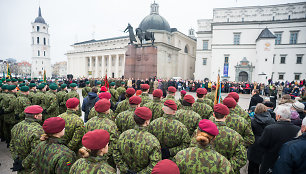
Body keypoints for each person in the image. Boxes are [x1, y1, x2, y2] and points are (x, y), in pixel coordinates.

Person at [114, 107, 161, 174]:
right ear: (147, 122)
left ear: (134, 119)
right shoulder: (153, 141)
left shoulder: (123, 135)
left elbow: (116, 153)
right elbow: (155, 164)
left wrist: (125, 169)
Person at [258, 105, 300, 174]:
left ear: (279, 116)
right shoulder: (297, 129)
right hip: (288, 164)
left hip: (270, 162)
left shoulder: (270, 128)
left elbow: (262, 144)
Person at [207, 103, 247, 173]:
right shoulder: (235, 136)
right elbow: (241, 158)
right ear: (226, 116)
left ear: (213, 115)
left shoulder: (203, 132)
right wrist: (225, 167)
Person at [85, 99, 119, 168]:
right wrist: (105, 154)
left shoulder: (89, 122)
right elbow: (114, 142)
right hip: (106, 158)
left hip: (91, 155)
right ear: (107, 110)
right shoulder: (111, 124)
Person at [9, 105, 44, 173]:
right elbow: (36, 152)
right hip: (30, 167)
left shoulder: (16, 126)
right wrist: (23, 164)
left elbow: (11, 144)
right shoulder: (38, 130)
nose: (42, 115)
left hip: (19, 162)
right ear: (36, 116)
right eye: (40, 113)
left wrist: (16, 158)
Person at [247, 103, 275, 174]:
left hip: (255, 144)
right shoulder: (271, 120)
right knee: (264, 166)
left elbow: (249, 133)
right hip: (266, 144)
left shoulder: (252, 121)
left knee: (252, 166)